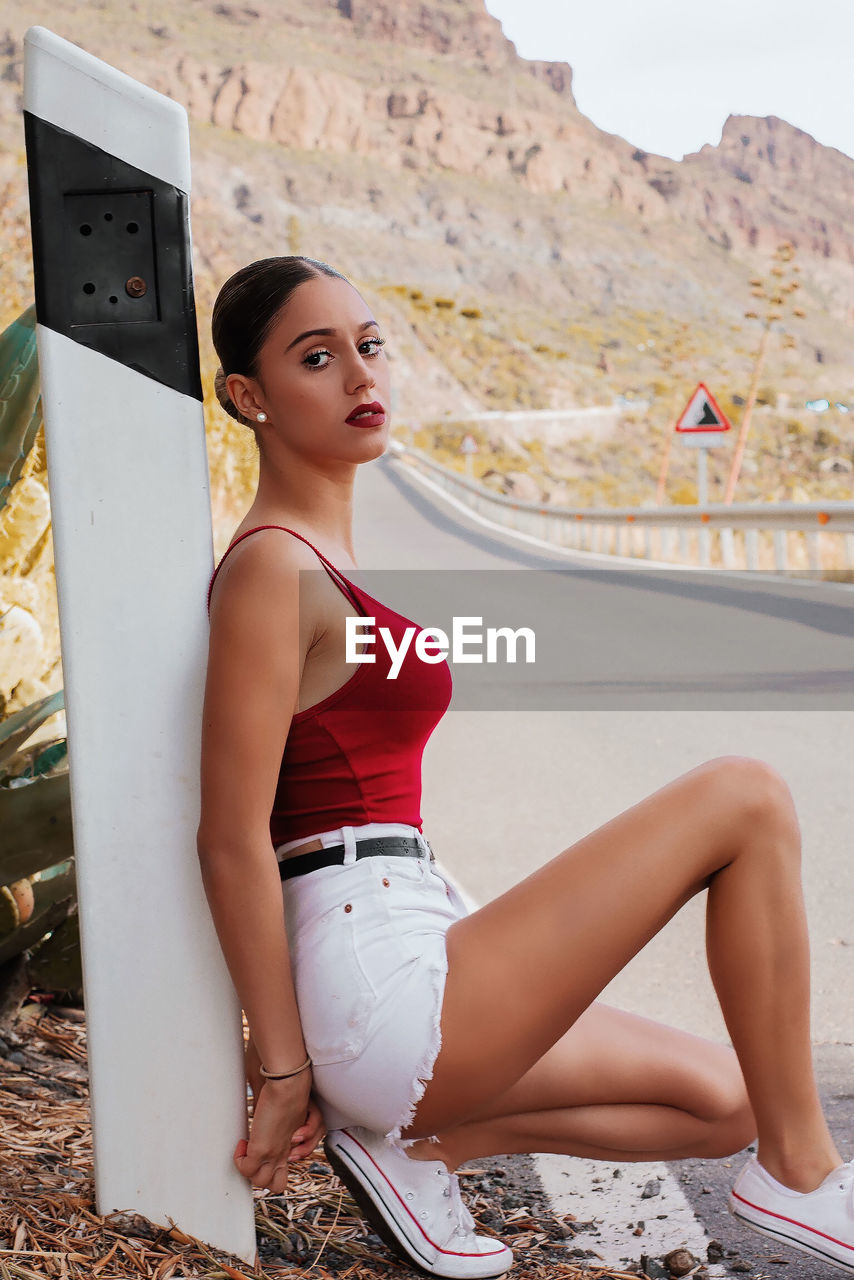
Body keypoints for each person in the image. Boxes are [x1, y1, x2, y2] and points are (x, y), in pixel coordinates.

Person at [197, 255, 853, 1280]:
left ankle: (418, 1145)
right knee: (745, 796)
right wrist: (282, 1063)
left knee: (731, 1096)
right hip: (369, 964)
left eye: (368, 347)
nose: (360, 377)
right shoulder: (270, 568)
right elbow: (231, 832)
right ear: (249, 396)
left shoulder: (327, 561)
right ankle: (804, 1176)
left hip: (414, 921)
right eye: (316, 358)